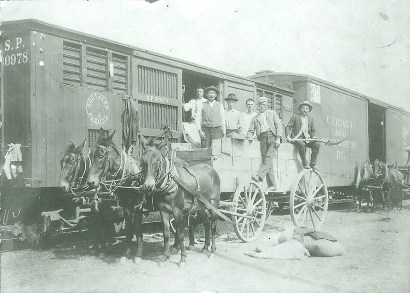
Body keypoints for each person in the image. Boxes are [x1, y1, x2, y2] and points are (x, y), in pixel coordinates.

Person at [247, 97, 282, 191]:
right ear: (258, 106)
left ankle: (259, 177)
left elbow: (278, 125)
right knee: (266, 160)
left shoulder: (272, 113)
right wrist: (249, 136)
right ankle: (273, 185)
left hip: (272, 137)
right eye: (260, 105)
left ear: (266, 105)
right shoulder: (255, 118)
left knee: (269, 158)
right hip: (262, 138)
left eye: (264, 105)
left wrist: (278, 138)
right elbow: (250, 130)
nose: (262, 106)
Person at [285, 101, 320, 169]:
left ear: (309, 110)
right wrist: (288, 136)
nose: (305, 110)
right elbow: (288, 127)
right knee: (302, 144)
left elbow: (313, 131)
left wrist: (314, 137)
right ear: (300, 109)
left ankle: (313, 163)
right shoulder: (295, 117)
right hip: (297, 138)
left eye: (307, 108)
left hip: (307, 139)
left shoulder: (310, 119)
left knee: (316, 144)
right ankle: (304, 163)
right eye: (303, 108)